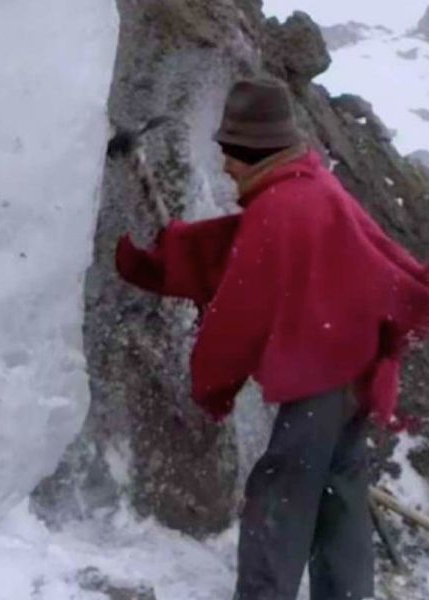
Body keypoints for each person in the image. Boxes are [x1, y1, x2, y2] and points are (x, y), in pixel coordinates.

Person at [114, 78, 429, 600]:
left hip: (326, 374)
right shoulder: (307, 187)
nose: (224, 166)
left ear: (251, 150)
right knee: (337, 492)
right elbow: (239, 250)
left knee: (280, 490)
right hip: (354, 369)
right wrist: (175, 255)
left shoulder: (282, 207)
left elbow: (242, 310)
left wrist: (212, 383)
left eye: (229, 154)